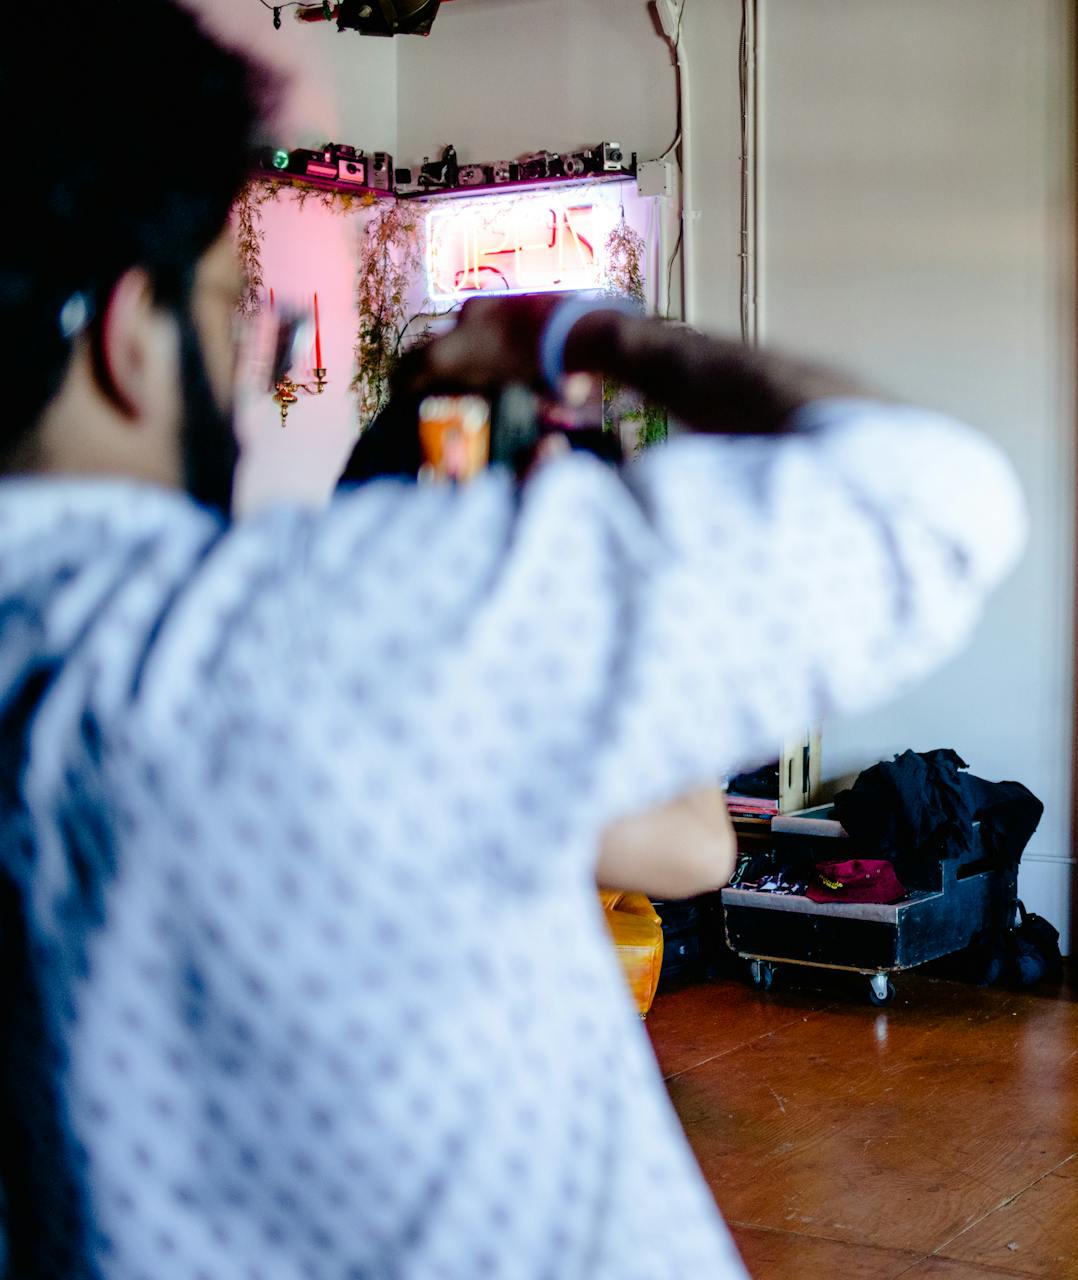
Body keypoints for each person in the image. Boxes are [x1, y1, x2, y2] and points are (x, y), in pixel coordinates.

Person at [0, 4, 1024, 1274]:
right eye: (229, 309)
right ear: (124, 339)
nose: (243, 350)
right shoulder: (331, 635)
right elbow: (929, 494)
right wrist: (588, 328)